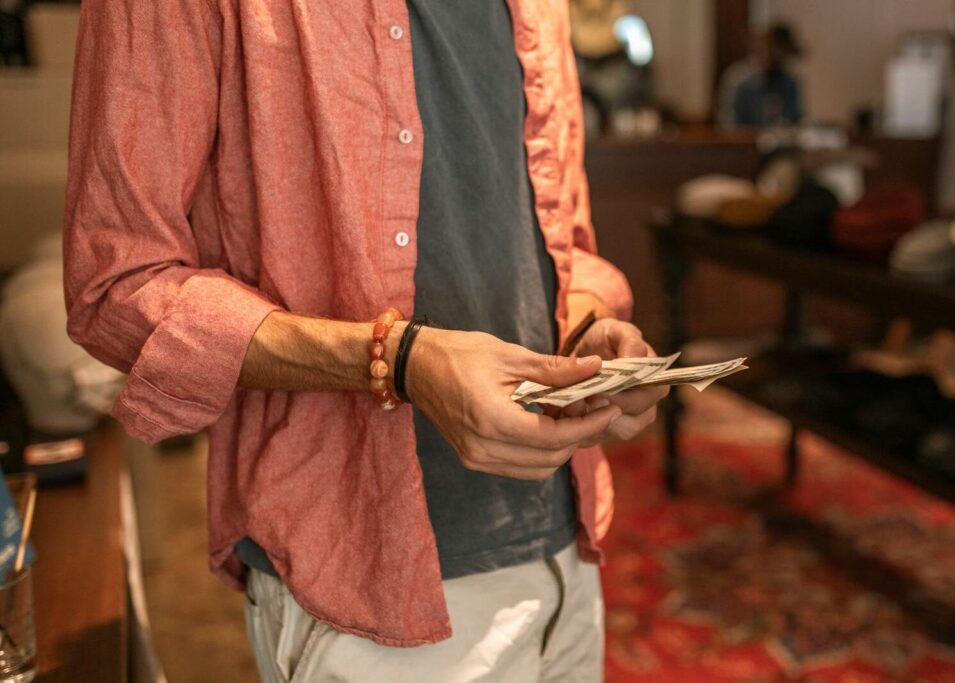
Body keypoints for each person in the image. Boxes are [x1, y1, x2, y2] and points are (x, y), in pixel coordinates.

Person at [63, 0, 667, 681]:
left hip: (564, 543)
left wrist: (588, 333)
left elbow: (557, 240)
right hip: (363, 574)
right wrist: (396, 360)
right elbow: (117, 282)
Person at [717, 22, 805, 128]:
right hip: (744, 142)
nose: (779, 59)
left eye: (783, 54)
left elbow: (796, 120)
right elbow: (728, 126)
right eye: (774, 52)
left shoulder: (789, 83)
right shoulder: (738, 81)